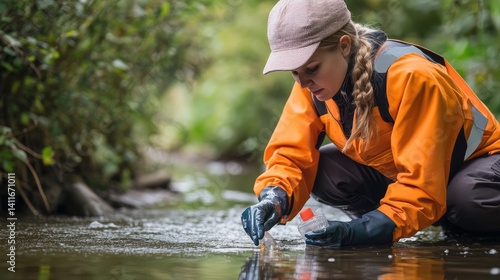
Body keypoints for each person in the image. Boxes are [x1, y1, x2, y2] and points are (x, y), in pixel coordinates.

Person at [241, 0, 500, 248]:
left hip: (478, 167)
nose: (303, 82)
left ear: (344, 46)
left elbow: (423, 182)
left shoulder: (412, 77)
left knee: (469, 198)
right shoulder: (312, 86)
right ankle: (396, 222)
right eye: (294, 73)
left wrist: (362, 231)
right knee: (327, 172)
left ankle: (447, 223)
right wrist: (273, 199)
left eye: (311, 68)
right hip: (414, 177)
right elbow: (290, 154)